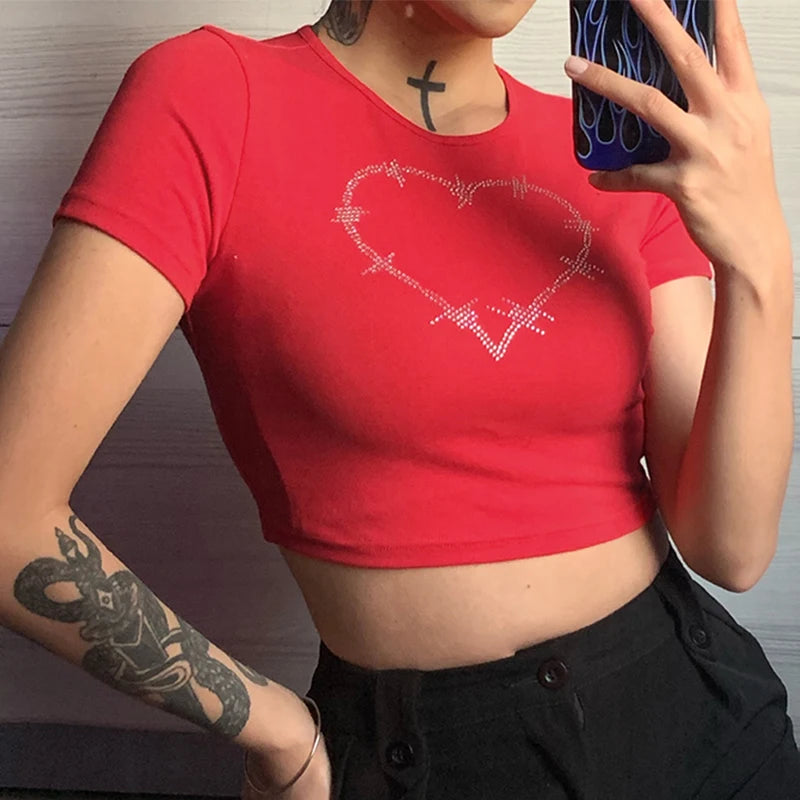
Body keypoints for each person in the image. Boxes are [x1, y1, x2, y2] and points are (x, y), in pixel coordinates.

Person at [0, 0, 798, 797]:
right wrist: (272, 727)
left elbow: (729, 548)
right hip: (428, 753)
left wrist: (758, 253)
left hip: (701, 713)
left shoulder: (623, 156)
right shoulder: (212, 98)